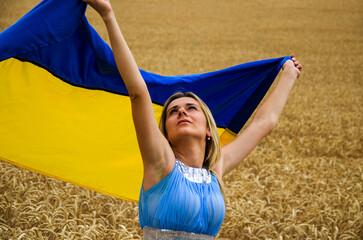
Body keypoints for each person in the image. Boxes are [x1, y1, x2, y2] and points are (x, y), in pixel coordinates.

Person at [82, 0, 303, 239]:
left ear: (209, 129)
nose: (181, 112)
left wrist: (289, 73)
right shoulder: (160, 163)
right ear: (165, 134)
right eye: (173, 111)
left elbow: (264, 123)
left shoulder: (215, 171)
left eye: (191, 108)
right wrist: (108, 15)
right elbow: (138, 92)